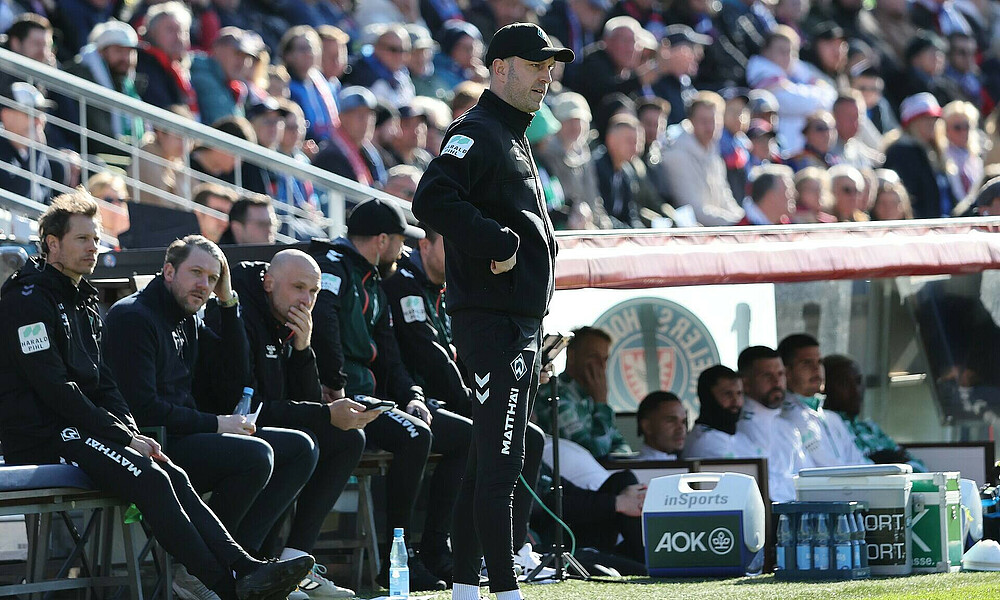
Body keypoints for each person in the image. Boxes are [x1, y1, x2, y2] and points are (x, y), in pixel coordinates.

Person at [0, 190, 313, 600]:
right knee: (151, 477)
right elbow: (56, 390)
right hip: (42, 435)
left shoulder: (83, 299)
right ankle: (227, 588)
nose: (94, 248)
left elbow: (104, 382)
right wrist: (122, 435)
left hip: (80, 429)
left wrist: (131, 431)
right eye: (82, 239)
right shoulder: (27, 299)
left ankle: (245, 567)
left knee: (168, 471)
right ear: (52, 243)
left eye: (96, 238)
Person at [411, 22, 573, 600]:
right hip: (492, 322)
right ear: (500, 67)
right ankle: (504, 590)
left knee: (490, 459)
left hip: (516, 322)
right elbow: (429, 198)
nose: (546, 78)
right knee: (501, 460)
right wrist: (496, 243)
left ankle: (463, 588)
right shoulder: (478, 131)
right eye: (536, 66)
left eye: (550, 67)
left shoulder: (510, 134)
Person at [103, 236, 321, 598]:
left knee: (300, 447)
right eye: (196, 273)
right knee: (256, 455)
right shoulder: (132, 316)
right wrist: (218, 424)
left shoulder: (188, 315)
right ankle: (203, 571)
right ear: (169, 271)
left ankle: (247, 569)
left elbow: (235, 375)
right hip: (149, 443)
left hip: (182, 435)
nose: (204, 285)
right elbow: (143, 410)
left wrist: (228, 302)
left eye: (212, 277)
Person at [381, 223, 542, 581]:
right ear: (425, 246)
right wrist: (474, 400)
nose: (461, 255)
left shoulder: (449, 285)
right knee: (473, 436)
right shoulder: (403, 285)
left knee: (530, 436)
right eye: (451, 245)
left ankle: (511, 550)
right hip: (415, 400)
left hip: (450, 398)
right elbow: (431, 357)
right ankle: (441, 550)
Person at [307, 201, 450, 592]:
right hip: (339, 398)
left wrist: (413, 395)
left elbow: (388, 352)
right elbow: (325, 326)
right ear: (383, 239)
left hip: (371, 398)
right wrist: (335, 384)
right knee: (416, 436)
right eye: (400, 243)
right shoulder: (335, 267)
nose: (404, 253)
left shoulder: (373, 278)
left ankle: (438, 551)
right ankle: (395, 559)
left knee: (456, 434)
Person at [220, 250, 376, 598]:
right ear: (269, 282)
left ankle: (296, 558)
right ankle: (250, 564)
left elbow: (301, 402)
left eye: (314, 292)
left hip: (262, 427)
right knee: (298, 447)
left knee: (348, 439)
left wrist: (304, 349)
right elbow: (251, 405)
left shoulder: (290, 320)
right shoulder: (239, 314)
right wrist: (324, 413)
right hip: (221, 426)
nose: (307, 300)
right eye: (299, 288)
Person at [535, 327, 632, 459]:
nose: (601, 366)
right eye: (594, 357)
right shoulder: (553, 392)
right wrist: (601, 402)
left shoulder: (590, 395)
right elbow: (595, 452)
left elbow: (622, 446)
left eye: (604, 359)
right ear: (572, 356)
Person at [53, 20, 144, 158]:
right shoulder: (83, 79)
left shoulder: (127, 85)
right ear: (101, 52)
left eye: (130, 52)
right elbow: (99, 138)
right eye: (119, 51)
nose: (126, 58)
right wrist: (141, 152)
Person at [777, 333, 870, 468]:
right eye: (806, 363)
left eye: (819, 362)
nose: (816, 369)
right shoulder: (785, 418)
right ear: (787, 372)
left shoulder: (832, 418)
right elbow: (826, 469)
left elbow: (858, 462)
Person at [822, 355, 926, 471]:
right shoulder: (827, 429)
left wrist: (892, 463)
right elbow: (846, 472)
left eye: (858, 381)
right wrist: (879, 463)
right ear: (824, 387)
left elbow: (920, 468)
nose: (855, 390)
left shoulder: (870, 428)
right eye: (845, 384)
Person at [735, 345, 809, 502]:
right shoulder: (735, 428)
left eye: (780, 374)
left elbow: (807, 478)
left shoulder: (788, 428)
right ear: (745, 383)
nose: (777, 382)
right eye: (767, 376)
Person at [661, 91, 745, 226]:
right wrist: (736, 223)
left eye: (714, 121)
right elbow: (693, 209)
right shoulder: (677, 155)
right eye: (703, 121)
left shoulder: (713, 151)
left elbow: (725, 199)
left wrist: (745, 220)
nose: (710, 127)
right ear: (691, 122)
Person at [883, 93, 956, 218]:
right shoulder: (900, 153)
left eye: (934, 118)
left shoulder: (935, 151)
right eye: (925, 118)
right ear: (911, 122)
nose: (931, 123)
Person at [683, 365, 764, 460]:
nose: (735, 401)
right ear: (707, 398)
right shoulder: (704, 442)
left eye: (739, 393)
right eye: (727, 394)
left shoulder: (742, 438)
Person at [135, 1, 199, 115]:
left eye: (183, 31)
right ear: (151, 33)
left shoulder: (185, 71)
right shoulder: (141, 67)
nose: (179, 37)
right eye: (170, 30)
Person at [190, 27, 259, 126]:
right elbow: (225, 129)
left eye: (246, 57)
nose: (242, 62)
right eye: (237, 53)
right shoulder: (203, 76)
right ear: (217, 48)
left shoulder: (232, 86)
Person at [0, 81, 53, 205]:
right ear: (6, 115)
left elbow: (44, 201)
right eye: (31, 113)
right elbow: (16, 201)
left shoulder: (37, 154)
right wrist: (36, 152)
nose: (39, 120)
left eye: (41, 113)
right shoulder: (36, 152)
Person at [342, 25, 416, 108]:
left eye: (405, 51)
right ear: (377, 47)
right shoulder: (357, 72)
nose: (400, 56)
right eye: (394, 49)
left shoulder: (402, 76)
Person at [635, 391, 687, 460]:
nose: (681, 428)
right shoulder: (638, 469)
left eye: (683, 422)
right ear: (647, 426)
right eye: (671, 420)